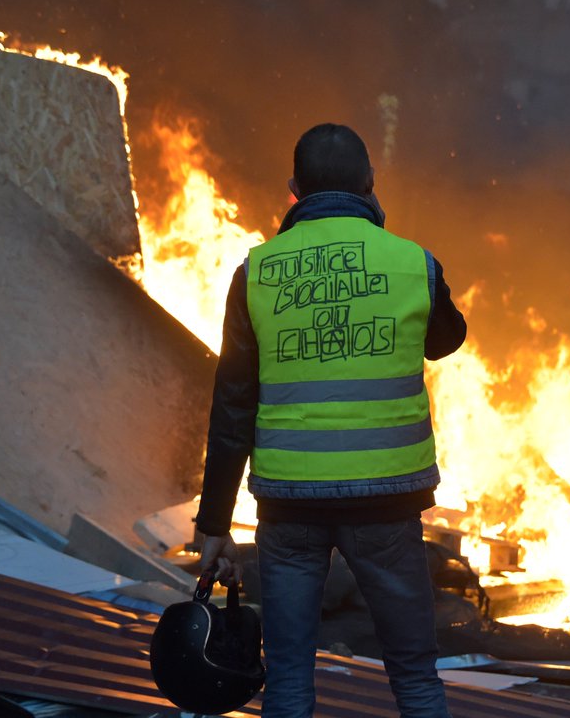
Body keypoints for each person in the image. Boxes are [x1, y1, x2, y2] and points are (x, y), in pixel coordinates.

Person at [195, 123, 467, 717]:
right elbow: (446, 341)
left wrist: (215, 522)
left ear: (294, 190)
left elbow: (233, 404)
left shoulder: (256, 273)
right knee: (416, 678)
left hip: (290, 504)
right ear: (371, 185)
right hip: (386, 500)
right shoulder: (411, 263)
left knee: (289, 678)